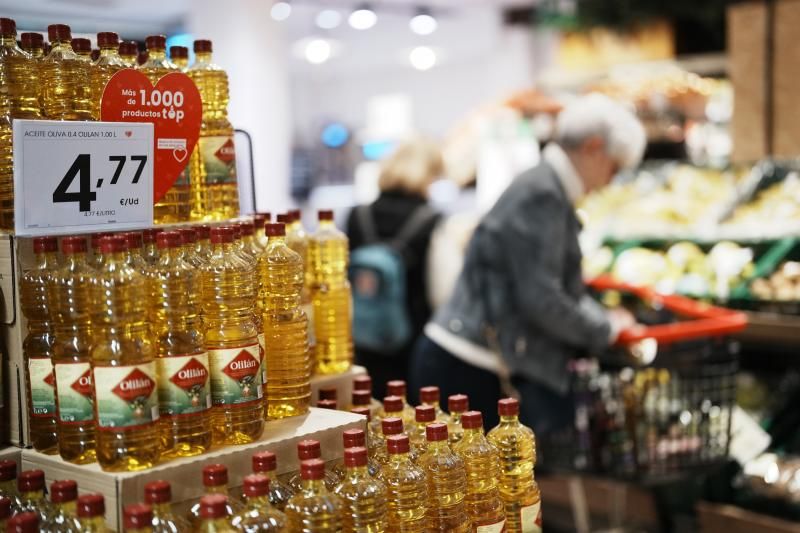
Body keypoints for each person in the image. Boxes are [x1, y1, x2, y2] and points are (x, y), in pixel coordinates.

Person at [409, 94, 645, 431]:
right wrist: (605, 328)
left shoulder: (544, 186)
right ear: (593, 147)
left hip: (465, 361)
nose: (610, 181)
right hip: (466, 369)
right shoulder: (543, 194)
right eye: (614, 167)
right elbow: (542, 299)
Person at [346, 136, 442, 400]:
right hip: (411, 339)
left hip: (362, 336)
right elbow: (437, 290)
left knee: (371, 409)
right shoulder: (431, 220)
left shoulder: (357, 215)